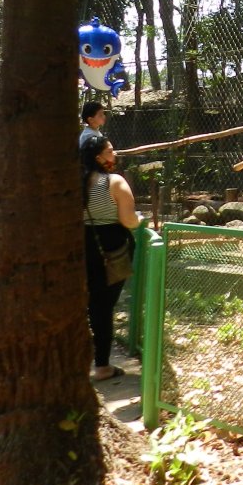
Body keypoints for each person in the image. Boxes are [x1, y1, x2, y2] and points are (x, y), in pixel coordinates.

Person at [80, 131, 138, 381]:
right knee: (103, 307)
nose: (114, 155)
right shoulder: (114, 182)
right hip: (112, 250)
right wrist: (139, 220)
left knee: (88, 304)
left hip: (82, 247)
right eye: (110, 151)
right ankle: (102, 365)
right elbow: (129, 220)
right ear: (99, 157)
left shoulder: (75, 183)